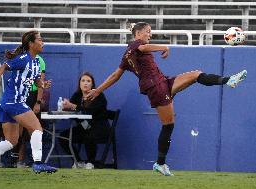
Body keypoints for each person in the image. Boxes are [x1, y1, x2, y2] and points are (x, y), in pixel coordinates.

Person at [86, 22, 247, 176]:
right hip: (155, 87)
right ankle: (160, 163)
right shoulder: (135, 44)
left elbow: (116, 75)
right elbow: (143, 47)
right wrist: (164, 46)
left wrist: (98, 90)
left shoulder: (127, 54)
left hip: (163, 82)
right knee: (168, 124)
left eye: (150, 31)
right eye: (148, 31)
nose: (150, 34)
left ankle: (229, 80)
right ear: (138, 33)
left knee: (196, 74)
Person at [0, 30, 57, 176]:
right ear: (31, 43)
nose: (42, 42)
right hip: (14, 101)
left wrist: (43, 85)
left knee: (11, 141)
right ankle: (38, 163)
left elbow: (37, 80)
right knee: (37, 128)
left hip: (7, 103)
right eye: (39, 39)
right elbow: (4, 66)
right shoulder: (24, 58)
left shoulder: (36, 62)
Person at [59, 72, 109, 169]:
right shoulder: (77, 95)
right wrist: (66, 106)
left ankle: (91, 162)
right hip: (84, 126)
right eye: (83, 81)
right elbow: (72, 109)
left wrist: (73, 106)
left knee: (88, 135)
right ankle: (78, 161)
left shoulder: (99, 96)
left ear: (92, 84)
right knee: (63, 137)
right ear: (79, 84)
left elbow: (90, 112)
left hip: (99, 127)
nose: (85, 83)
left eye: (88, 81)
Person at [16, 54, 46, 168]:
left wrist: (37, 102)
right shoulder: (20, 59)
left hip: (32, 97)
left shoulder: (40, 60)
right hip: (20, 95)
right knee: (19, 130)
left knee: (34, 130)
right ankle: (19, 160)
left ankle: (36, 161)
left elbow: (41, 82)